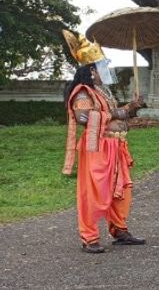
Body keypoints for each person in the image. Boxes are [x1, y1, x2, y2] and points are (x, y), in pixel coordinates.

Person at [61, 30, 146, 253]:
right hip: (96, 147)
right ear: (91, 70)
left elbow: (117, 113)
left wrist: (132, 107)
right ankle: (89, 238)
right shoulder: (82, 92)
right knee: (95, 192)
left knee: (121, 190)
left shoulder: (103, 91)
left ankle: (119, 230)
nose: (106, 71)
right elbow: (82, 117)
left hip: (116, 147)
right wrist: (115, 114)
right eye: (102, 67)